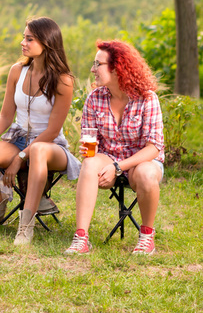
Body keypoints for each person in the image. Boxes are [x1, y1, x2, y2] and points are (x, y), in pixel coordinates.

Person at [0, 16, 80, 245]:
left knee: (38, 148)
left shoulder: (63, 81)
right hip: (18, 139)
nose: (23, 43)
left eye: (29, 39)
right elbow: (5, 116)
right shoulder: (17, 71)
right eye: (23, 37)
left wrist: (20, 158)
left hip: (50, 146)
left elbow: (52, 130)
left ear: (47, 42)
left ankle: (26, 224)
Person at [64, 40, 164, 256]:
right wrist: (90, 153)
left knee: (146, 173)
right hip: (109, 158)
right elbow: (91, 142)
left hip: (142, 162)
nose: (92, 69)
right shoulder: (94, 98)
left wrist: (117, 168)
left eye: (97, 64)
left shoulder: (147, 98)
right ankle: (81, 238)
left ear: (118, 67)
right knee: (90, 164)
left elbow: (154, 147)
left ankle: (147, 237)